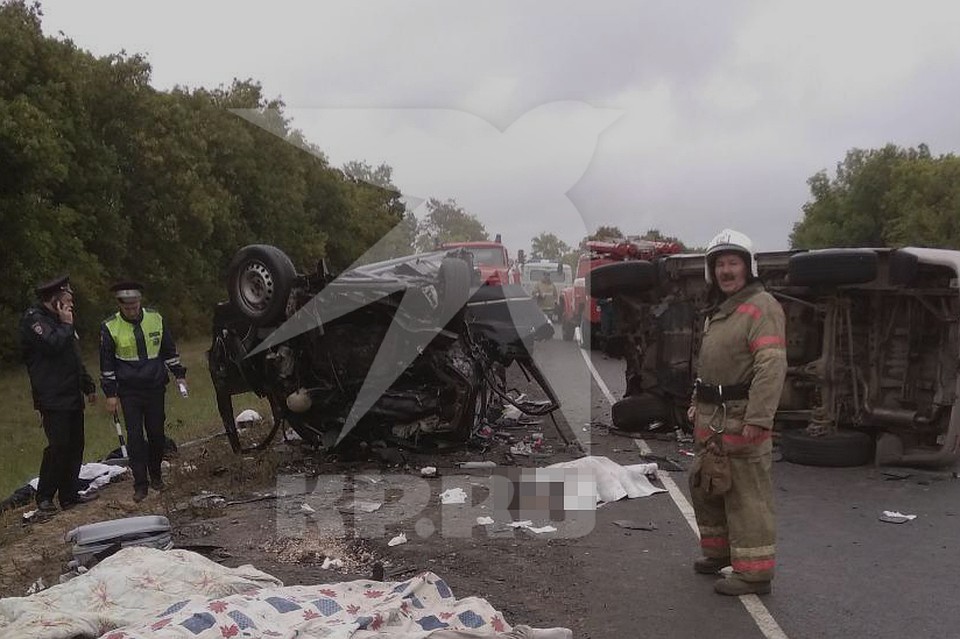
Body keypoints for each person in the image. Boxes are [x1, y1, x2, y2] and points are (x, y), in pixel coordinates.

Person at [688, 229, 787, 596]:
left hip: (742, 415)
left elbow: (771, 366)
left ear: (748, 267)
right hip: (713, 416)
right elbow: (709, 364)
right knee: (707, 485)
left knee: (747, 495)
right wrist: (697, 401)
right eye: (720, 265)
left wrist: (759, 419)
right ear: (711, 272)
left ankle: (754, 574)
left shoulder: (762, 307)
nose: (727, 271)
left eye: (734, 263)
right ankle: (719, 555)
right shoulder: (720, 311)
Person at [99, 281, 187, 502]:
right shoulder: (110, 327)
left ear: (140, 301)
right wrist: (110, 394)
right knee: (135, 437)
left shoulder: (155, 318)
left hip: (155, 386)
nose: (132, 310)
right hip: (129, 391)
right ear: (120, 305)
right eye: (127, 307)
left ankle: (156, 475)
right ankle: (140, 484)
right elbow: (107, 363)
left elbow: (168, 349)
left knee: (157, 434)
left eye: (135, 305)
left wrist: (179, 374)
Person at [20, 275, 98, 515]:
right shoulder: (34, 320)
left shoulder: (63, 322)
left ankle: (69, 494)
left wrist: (88, 384)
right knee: (59, 446)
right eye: (67, 300)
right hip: (52, 395)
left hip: (71, 392)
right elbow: (53, 346)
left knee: (76, 445)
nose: (71, 305)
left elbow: (72, 356)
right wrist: (66, 325)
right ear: (54, 301)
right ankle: (44, 496)